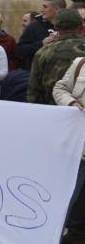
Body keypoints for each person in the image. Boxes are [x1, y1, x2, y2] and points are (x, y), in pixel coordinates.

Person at [52, 55, 85, 240]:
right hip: (77, 150)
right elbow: (60, 87)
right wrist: (70, 103)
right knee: (65, 201)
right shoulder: (80, 63)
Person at [26, 9, 85, 105]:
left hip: (53, 111)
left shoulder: (43, 52)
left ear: (55, 27)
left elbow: (33, 90)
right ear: (81, 27)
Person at [17, 0, 66, 70]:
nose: (41, 10)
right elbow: (19, 50)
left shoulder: (69, 26)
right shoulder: (33, 27)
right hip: (38, 74)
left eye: (45, 7)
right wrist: (42, 43)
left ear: (57, 9)